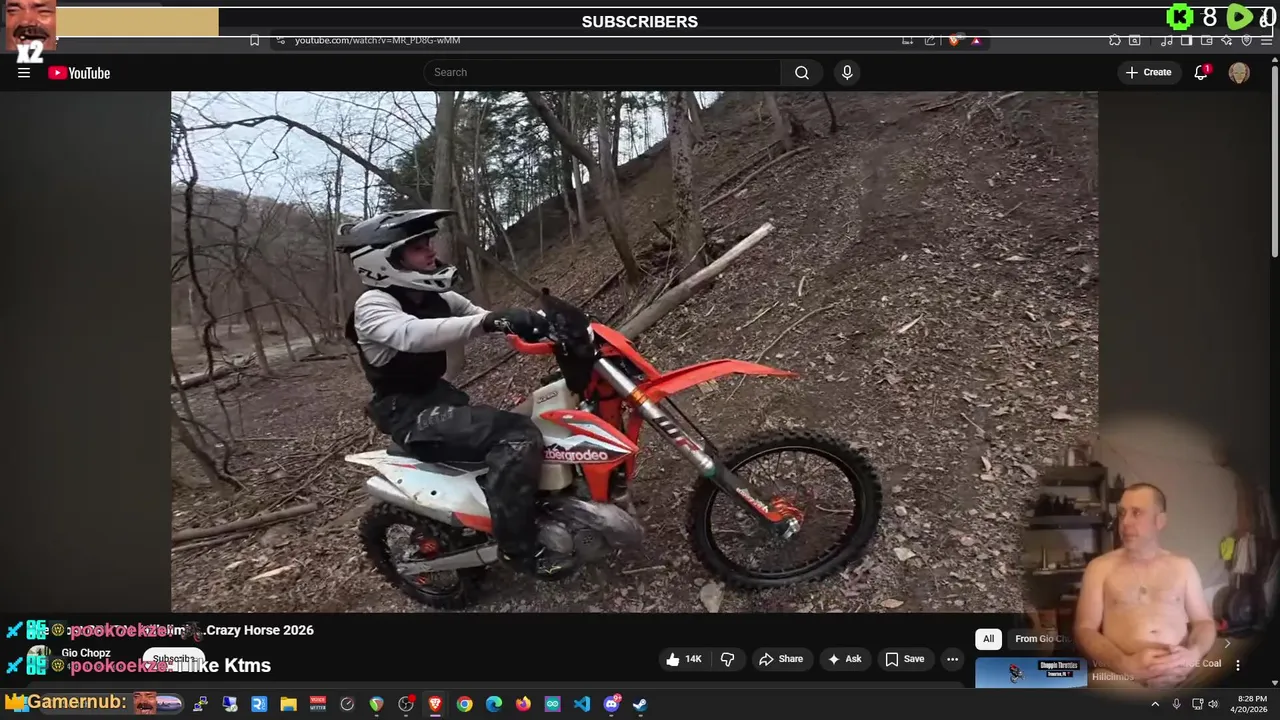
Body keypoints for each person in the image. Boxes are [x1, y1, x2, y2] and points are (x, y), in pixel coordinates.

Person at [337, 209, 556, 578]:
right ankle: (518, 549)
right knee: (517, 435)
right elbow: (412, 334)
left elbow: (482, 315)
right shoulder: (373, 305)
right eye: (417, 247)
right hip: (409, 415)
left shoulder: (436, 295)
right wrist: (488, 321)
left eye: (429, 243)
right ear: (384, 260)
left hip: (440, 400)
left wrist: (548, 325)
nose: (431, 252)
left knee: (541, 413)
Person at [1074, 483, 1218, 688]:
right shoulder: (1099, 568)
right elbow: (1084, 630)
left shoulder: (1183, 566)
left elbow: (1204, 622)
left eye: (1136, 513)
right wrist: (1125, 665)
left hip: (1184, 673)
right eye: (1122, 513)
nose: (1125, 522)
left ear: (1160, 521)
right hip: (1125, 678)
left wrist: (1193, 655)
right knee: (1097, 682)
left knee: (1236, 658)